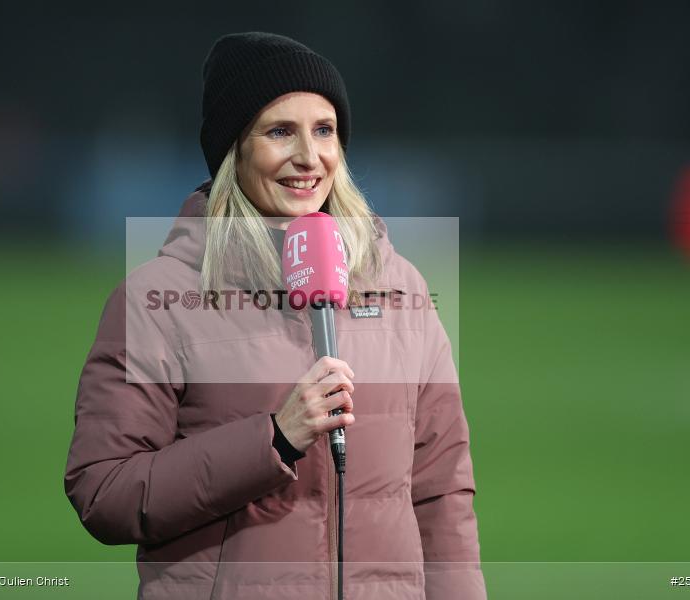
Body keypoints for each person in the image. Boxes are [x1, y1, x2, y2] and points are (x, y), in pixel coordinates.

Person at [65, 32, 486, 600]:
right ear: (233, 148)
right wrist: (273, 440)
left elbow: (442, 493)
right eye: (280, 131)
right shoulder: (158, 297)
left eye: (324, 130)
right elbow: (104, 492)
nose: (309, 157)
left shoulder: (401, 287)